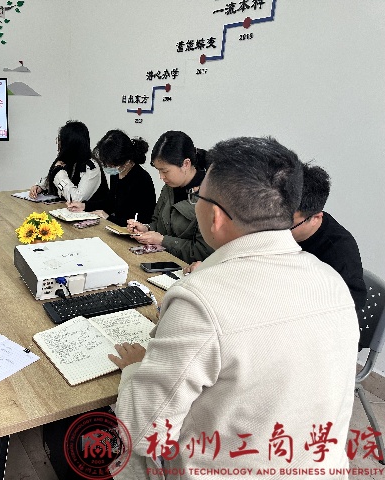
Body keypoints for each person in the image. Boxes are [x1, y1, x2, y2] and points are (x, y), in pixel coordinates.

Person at [109, 137, 358, 479]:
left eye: (198, 197)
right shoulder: (333, 282)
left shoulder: (200, 299)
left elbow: (143, 433)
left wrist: (136, 370)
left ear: (215, 217)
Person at [291, 163, 368, 346]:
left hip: (323, 337)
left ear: (315, 217)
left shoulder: (339, 250)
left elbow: (349, 305)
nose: (276, 229)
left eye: (287, 224)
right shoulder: (287, 228)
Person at [126, 130, 213, 263]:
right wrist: (146, 228)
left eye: (165, 171)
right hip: (160, 260)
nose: (161, 177)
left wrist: (162, 240)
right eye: (158, 171)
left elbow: (202, 252)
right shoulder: (169, 188)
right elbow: (157, 223)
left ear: (186, 164)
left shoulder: (209, 196)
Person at [66, 130, 155, 227]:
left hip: (131, 232)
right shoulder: (116, 172)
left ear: (127, 162)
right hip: (115, 228)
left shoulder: (142, 180)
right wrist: (84, 206)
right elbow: (110, 202)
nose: (108, 167)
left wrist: (108, 218)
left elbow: (140, 222)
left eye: (110, 165)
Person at [29, 120, 109, 203]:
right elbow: (54, 181)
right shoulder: (68, 159)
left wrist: (59, 173)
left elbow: (76, 199)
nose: (58, 144)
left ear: (70, 145)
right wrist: (40, 186)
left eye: (61, 141)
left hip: (93, 211)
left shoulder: (91, 167)